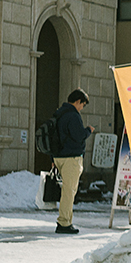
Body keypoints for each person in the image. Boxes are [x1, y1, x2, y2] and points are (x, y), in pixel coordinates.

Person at [51, 89, 96, 234]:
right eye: (82, 105)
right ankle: (64, 223)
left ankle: (65, 221)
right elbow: (79, 136)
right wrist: (88, 130)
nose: (82, 108)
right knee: (69, 192)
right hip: (71, 158)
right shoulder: (73, 115)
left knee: (67, 191)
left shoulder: (59, 113)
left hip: (58, 156)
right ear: (78, 102)